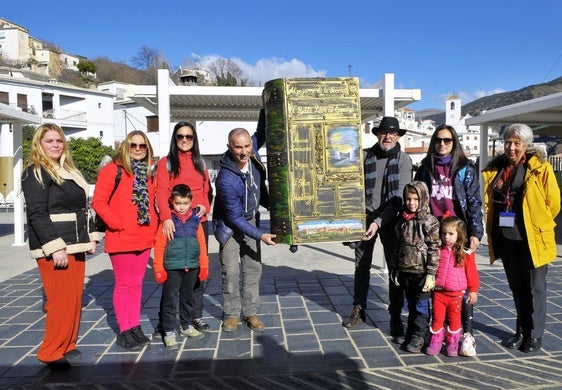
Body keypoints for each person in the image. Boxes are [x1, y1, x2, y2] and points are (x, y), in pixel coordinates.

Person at [21, 123, 99, 371]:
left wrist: (91, 237)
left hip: (75, 243)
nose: (55, 145)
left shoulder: (67, 170)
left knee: (73, 298)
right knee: (58, 301)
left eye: (59, 141)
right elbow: (36, 213)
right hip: (55, 246)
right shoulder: (34, 171)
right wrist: (55, 248)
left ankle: (66, 343)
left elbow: (81, 207)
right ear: (39, 144)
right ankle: (50, 351)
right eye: (49, 141)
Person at [482, 123, 560, 353]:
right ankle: (521, 330)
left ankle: (534, 335)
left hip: (532, 238)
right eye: (508, 142)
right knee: (517, 288)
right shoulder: (496, 170)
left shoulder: (540, 169)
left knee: (535, 288)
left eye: (517, 143)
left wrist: (537, 222)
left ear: (526, 145)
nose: (512, 147)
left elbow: (553, 204)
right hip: (506, 238)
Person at [414, 124, 483, 356]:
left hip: (457, 232)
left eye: (447, 140)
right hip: (433, 234)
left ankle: (465, 335)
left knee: (459, 285)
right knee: (434, 282)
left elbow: (474, 203)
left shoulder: (465, 170)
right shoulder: (425, 168)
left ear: (455, 143)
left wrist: (476, 232)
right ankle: (434, 330)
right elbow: (417, 197)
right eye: (438, 140)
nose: (442, 144)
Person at [342, 116, 413, 340]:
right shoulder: (364, 156)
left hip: (391, 219)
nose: (388, 136)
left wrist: (378, 222)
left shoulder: (403, 160)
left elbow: (397, 198)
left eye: (393, 133)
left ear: (398, 136)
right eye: (384, 132)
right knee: (361, 265)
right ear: (377, 134)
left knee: (395, 269)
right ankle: (359, 308)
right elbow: (347, 184)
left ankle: (394, 314)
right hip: (365, 216)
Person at [92, 130, 158, 351]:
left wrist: (155, 229)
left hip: (143, 237)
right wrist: (118, 223)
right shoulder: (113, 170)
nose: (138, 149)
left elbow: (151, 205)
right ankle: (124, 329)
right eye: (133, 145)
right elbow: (99, 203)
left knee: (136, 284)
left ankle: (135, 325)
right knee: (124, 284)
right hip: (121, 237)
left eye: (142, 146)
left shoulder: (148, 174)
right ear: (125, 147)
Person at [212, 111, 276, 333]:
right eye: (238, 147)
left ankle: (250, 312)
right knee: (230, 271)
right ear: (230, 147)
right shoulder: (225, 179)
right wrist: (261, 235)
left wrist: (264, 106)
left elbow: (261, 132)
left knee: (253, 269)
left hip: (251, 219)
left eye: (247, 146)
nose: (244, 151)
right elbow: (234, 218)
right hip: (230, 227)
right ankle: (231, 313)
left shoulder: (253, 151)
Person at [155, 122, 213, 334]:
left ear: (194, 139)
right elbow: (161, 192)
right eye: (180, 136)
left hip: (197, 223)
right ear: (175, 138)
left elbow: (207, 191)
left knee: (196, 272)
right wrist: (166, 218)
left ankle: (193, 317)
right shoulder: (167, 163)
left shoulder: (201, 163)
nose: (185, 140)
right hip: (174, 224)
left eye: (189, 136)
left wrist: (205, 208)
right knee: (172, 273)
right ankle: (166, 321)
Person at [152, 184, 209, 350]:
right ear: (172, 202)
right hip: (172, 267)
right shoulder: (168, 222)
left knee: (187, 298)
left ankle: (186, 325)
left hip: (191, 266)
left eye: (185, 203)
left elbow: (202, 244)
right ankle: (168, 331)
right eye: (178, 203)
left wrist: (204, 265)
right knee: (170, 300)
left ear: (191, 201)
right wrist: (158, 268)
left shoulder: (195, 221)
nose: (182, 207)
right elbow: (160, 245)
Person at [389, 181, 440, 353]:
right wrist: (395, 268)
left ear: (423, 199)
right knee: (410, 304)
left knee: (421, 305)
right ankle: (411, 332)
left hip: (422, 272)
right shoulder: (402, 219)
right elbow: (397, 245)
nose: (411, 203)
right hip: (405, 269)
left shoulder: (430, 222)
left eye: (416, 199)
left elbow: (434, 248)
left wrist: (431, 273)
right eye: (408, 199)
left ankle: (420, 336)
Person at [425, 216, 479, 357]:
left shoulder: (465, 253)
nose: (446, 237)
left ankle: (452, 342)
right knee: (437, 318)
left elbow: (471, 272)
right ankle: (436, 340)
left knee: (455, 319)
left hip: (456, 294)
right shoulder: (437, 249)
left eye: (451, 234)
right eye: (444, 233)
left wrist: (473, 290)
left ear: (459, 235)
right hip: (439, 292)